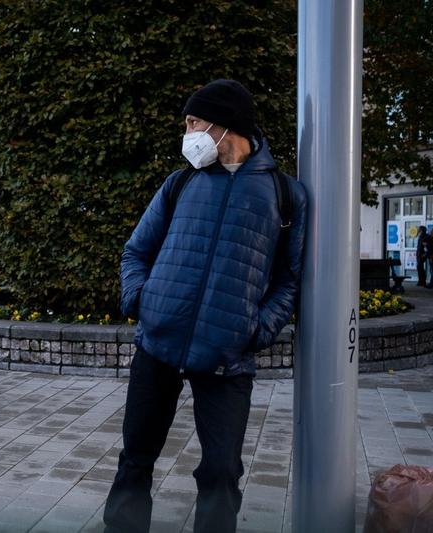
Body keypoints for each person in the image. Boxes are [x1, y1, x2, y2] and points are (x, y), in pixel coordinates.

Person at [105, 80, 307, 533]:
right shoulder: (180, 184)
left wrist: (254, 330)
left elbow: (289, 279)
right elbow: (135, 252)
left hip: (227, 360)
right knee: (135, 459)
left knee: (221, 474)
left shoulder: (285, 195)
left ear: (224, 125)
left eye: (193, 122)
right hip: (158, 344)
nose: (188, 133)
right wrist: (143, 302)